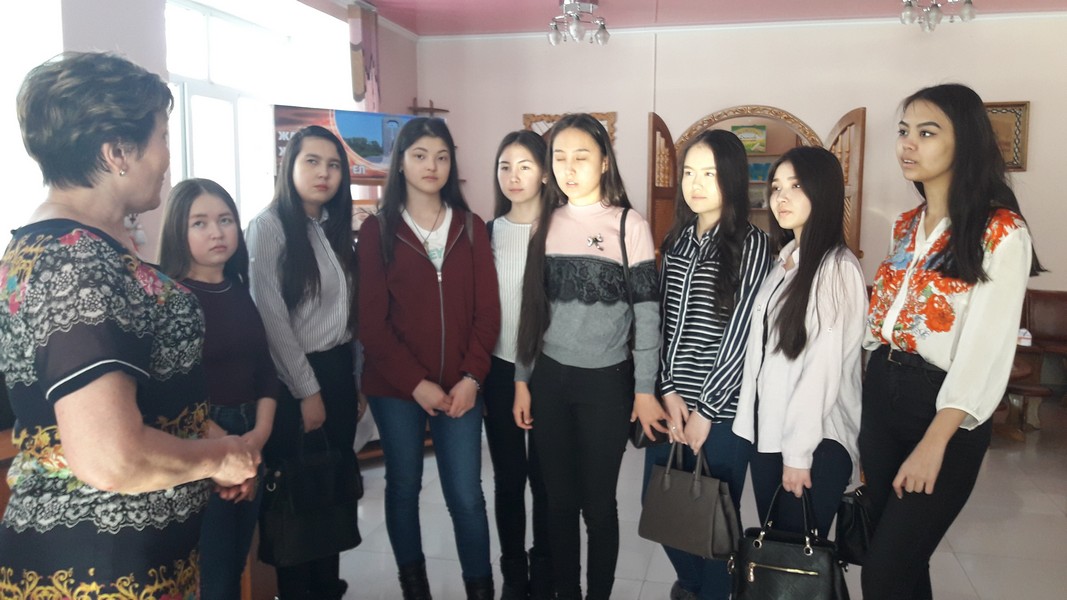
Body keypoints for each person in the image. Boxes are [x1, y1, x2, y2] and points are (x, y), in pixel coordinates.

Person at [0, 51, 257, 597]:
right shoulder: (75, 261)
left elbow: (144, 396)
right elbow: (110, 456)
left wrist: (208, 447)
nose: (167, 158)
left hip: (138, 558)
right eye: (162, 137)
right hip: (100, 569)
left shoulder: (76, 249)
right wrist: (219, 457)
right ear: (117, 152)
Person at [860, 83, 1043, 600]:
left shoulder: (1001, 231)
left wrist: (934, 443)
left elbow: (986, 351)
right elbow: (881, 324)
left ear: (965, 141)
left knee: (884, 573)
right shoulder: (905, 227)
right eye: (903, 132)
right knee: (899, 564)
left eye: (926, 132)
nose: (907, 144)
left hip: (943, 411)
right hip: (883, 393)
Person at [513, 113, 666, 600]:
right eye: (559, 157)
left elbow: (648, 317)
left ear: (603, 162)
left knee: (598, 508)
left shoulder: (628, 224)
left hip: (606, 384)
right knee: (558, 504)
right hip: (549, 380)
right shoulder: (546, 223)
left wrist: (644, 390)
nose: (569, 167)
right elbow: (531, 312)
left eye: (581, 156)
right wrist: (522, 380)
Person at [358, 117, 500, 600]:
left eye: (441, 157)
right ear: (400, 162)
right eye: (419, 155)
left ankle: (480, 589)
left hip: (462, 387)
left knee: (466, 495)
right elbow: (372, 324)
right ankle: (414, 587)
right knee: (403, 487)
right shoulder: (377, 231)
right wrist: (416, 383)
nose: (431, 166)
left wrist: (472, 377)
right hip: (396, 388)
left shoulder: (471, 227)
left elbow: (488, 312)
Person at [643, 130, 770, 600]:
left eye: (710, 174)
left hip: (722, 412)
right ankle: (694, 588)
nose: (695, 185)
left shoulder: (753, 244)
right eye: (690, 173)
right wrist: (668, 389)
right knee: (662, 505)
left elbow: (741, 334)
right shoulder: (676, 240)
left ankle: (711, 591)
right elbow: (663, 322)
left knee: (714, 521)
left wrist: (706, 410)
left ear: (732, 179)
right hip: (673, 401)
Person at [245, 125, 359, 600]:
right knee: (299, 500)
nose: (323, 173)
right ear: (288, 165)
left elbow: (350, 314)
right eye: (312, 161)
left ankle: (328, 588)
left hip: (337, 371)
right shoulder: (268, 227)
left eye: (333, 165)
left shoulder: (332, 226)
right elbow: (270, 318)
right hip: (294, 379)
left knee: (330, 491)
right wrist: (307, 390)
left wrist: (354, 381)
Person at [734, 146, 866, 540]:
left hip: (814, 442)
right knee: (775, 554)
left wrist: (798, 454)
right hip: (770, 433)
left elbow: (821, 371)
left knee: (798, 559)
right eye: (776, 187)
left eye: (796, 186)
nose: (781, 197)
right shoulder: (785, 261)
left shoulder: (836, 268)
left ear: (822, 192)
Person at [160, 178, 279, 600]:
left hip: (250, 437)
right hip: (200, 440)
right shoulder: (169, 297)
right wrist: (226, 448)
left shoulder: (240, 289)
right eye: (200, 223)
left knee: (232, 567)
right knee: (209, 575)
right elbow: (170, 387)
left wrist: (255, 441)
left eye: (225, 220)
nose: (217, 232)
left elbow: (265, 371)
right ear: (178, 230)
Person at [485, 130, 553, 600]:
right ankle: (513, 572)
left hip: (548, 372)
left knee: (546, 482)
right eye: (505, 166)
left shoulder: (560, 230)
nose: (513, 176)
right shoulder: (487, 232)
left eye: (525, 166)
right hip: (499, 370)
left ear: (545, 173)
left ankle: (544, 570)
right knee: (508, 480)